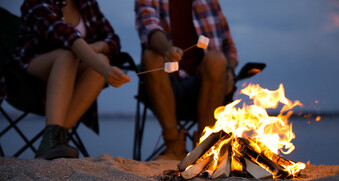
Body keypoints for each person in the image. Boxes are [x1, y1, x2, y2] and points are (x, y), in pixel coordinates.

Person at [9, 0, 130, 160]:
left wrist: (98, 48)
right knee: (69, 54)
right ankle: (53, 137)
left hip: (72, 76)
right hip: (30, 73)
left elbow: (113, 39)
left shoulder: (87, 4)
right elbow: (68, 37)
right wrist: (106, 71)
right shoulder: (36, 2)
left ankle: (55, 137)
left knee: (101, 59)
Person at [135, 0, 239, 160]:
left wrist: (230, 70)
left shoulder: (209, 2)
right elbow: (149, 29)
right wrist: (167, 49)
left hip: (207, 83)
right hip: (167, 82)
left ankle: (204, 146)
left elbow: (230, 48)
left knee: (217, 59)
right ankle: (173, 144)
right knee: (151, 56)